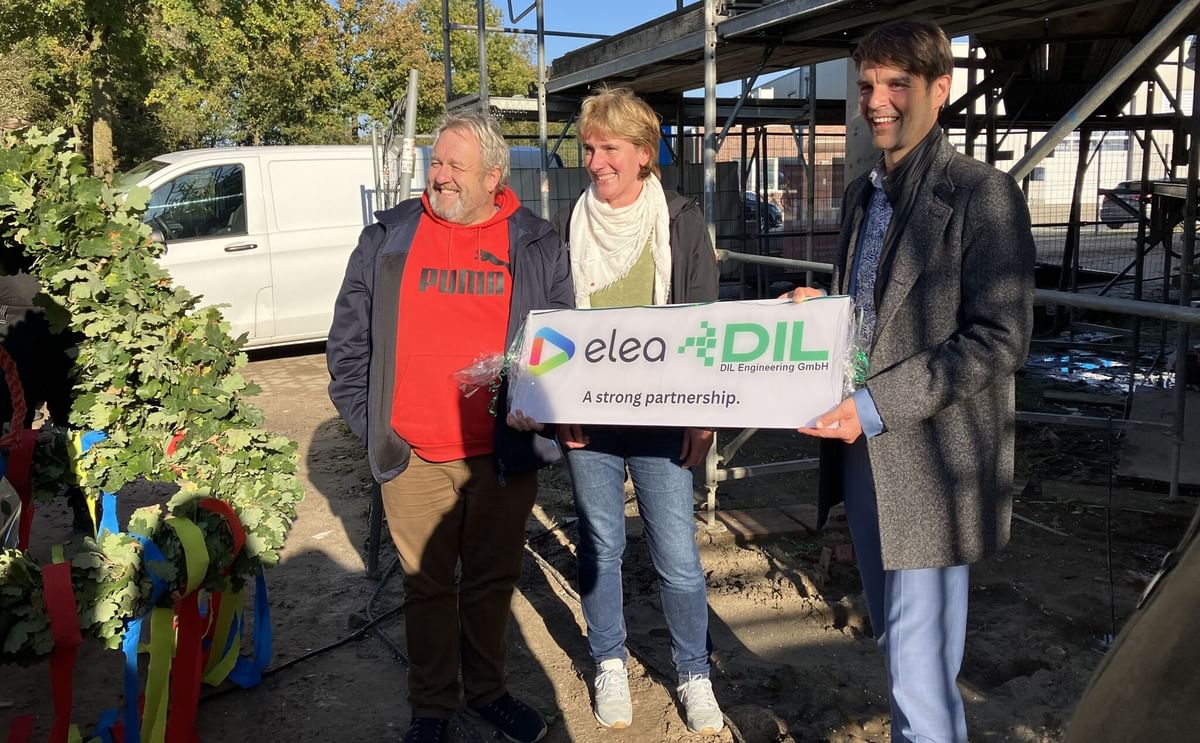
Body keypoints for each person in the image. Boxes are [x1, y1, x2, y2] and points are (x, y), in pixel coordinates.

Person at [788, 20, 1035, 742]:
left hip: (928, 462)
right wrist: (820, 313)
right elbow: (871, 313)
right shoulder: (867, 196)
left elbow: (1000, 337)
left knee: (918, 674)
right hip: (866, 447)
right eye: (868, 85)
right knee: (902, 654)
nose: (877, 100)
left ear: (941, 88)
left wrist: (872, 403)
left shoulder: (981, 194)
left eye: (897, 83)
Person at [327, 110, 573, 743]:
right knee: (427, 588)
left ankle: (488, 692)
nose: (439, 176)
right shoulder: (388, 237)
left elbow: (563, 343)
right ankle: (431, 707)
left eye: (454, 166)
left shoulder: (537, 242)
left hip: (502, 452)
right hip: (414, 454)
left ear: (495, 176)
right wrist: (375, 426)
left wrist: (542, 406)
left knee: (492, 582)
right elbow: (348, 345)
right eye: (435, 162)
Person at [510, 86, 724, 736]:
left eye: (609, 148)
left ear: (642, 154)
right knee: (601, 546)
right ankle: (608, 659)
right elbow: (547, 329)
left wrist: (702, 414)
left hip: (664, 422)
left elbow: (706, 326)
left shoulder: (681, 224)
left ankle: (694, 671)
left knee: (678, 554)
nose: (595, 160)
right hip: (591, 426)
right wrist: (557, 406)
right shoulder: (564, 232)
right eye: (590, 147)